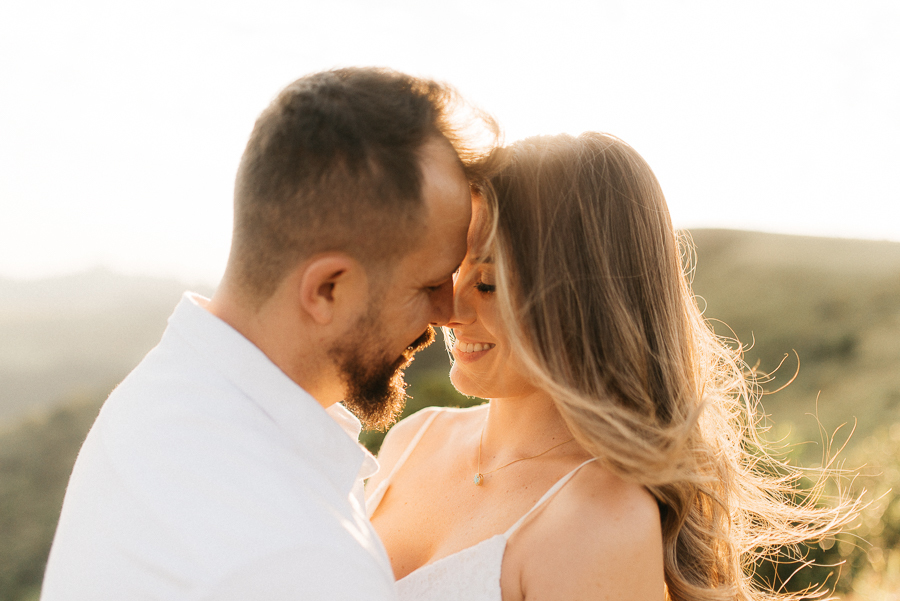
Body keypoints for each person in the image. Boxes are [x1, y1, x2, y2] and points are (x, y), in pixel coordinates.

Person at [41, 67, 491, 600]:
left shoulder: (159, 396)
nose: (447, 312)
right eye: (432, 283)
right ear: (327, 288)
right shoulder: (298, 561)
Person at [366, 132, 857, 601]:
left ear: (584, 301)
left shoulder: (603, 519)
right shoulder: (412, 440)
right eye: (454, 269)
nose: (450, 309)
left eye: (490, 284)